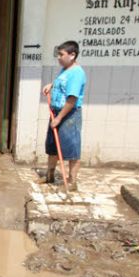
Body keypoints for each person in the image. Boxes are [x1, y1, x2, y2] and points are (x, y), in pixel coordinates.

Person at [40, 41, 87, 191]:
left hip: (69, 115)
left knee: (71, 149)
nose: (58, 58)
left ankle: (72, 183)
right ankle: (50, 176)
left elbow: (72, 100)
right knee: (52, 147)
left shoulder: (77, 73)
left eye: (61, 54)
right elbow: (62, 81)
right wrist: (51, 84)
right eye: (58, 54)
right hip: (55, 112)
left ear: (72, 55)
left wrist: (59, 118)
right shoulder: (66, 69)